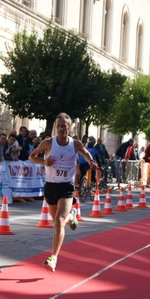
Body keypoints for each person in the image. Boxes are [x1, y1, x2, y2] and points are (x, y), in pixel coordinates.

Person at [29, 112, 96, 273]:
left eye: (64, 126)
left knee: (59, 221)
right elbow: (32, 157)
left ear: (69, 128)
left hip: (66, 186)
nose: (60, 129)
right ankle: (72, 213)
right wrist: (44, 161)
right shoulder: (48, 143)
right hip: (51, 186)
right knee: (56, 223)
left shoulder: (75, 143)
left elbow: (86, 153)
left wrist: (91, 161)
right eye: (58, 126)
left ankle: (53, 258)